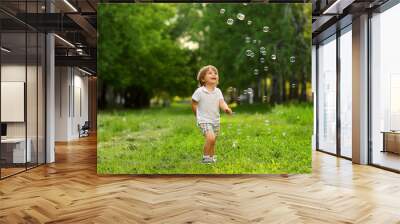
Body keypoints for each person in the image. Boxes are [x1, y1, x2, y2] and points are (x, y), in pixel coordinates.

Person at [191, 65, 233, 163]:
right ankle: (206, 158)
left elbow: (221, 102)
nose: (214, 74)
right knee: (211, 138)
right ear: (203, 79)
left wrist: (226, 108)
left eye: (215, 73)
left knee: (213, 140)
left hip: (215, 120)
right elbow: (193, 102)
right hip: (204, 120)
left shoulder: (218, 91)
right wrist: (197, 115)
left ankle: (212, 156)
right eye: (210, 73)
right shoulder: (200, 91)